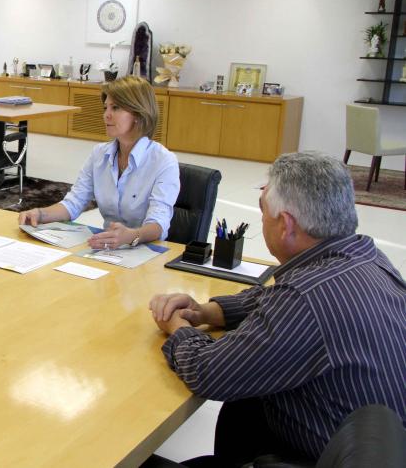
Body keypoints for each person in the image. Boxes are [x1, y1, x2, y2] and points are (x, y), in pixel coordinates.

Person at [149, 152, 406, 465]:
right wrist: (206, 311)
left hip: (315, 454)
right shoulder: (365, 257)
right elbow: (274, 298)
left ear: (286, 224)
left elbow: (208, 372)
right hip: (368, 441)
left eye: (263, 210)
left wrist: (177, 326)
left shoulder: (305, 297)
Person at [19, 75, 179, 248]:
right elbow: (73, 204)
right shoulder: (99, 154)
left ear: (138, 114)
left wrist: (131, 235)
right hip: (105, 248)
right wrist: (40, 214)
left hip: (145, 250)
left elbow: (158, 224)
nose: (106, 115)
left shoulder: (164, 161)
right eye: (105, 108)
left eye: (115, 108)